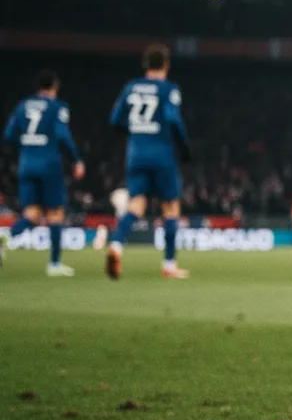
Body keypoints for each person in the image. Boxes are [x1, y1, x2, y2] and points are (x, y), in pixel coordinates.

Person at [104, 44, 192, 280]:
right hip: (162, 153)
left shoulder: (130, 87)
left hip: (135, 153)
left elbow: (115, 120)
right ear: (166, 65)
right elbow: (173, 120)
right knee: (171, 208)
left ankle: (116, 246)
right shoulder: (169, 89)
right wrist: (184, 148)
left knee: (135, 207)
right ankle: (169, 264)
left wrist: (136, 131)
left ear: (145, 65)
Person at [1, 70, 85, 276]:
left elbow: (9, 134)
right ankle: (54, 264)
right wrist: (76, 160)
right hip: (49, 165)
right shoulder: (57, 107)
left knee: (33, 214)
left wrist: (29, 146)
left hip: (26, 165)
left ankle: (5, 237)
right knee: (55, 214)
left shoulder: (22, 106)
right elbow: (63, 135)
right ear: (55, 87)